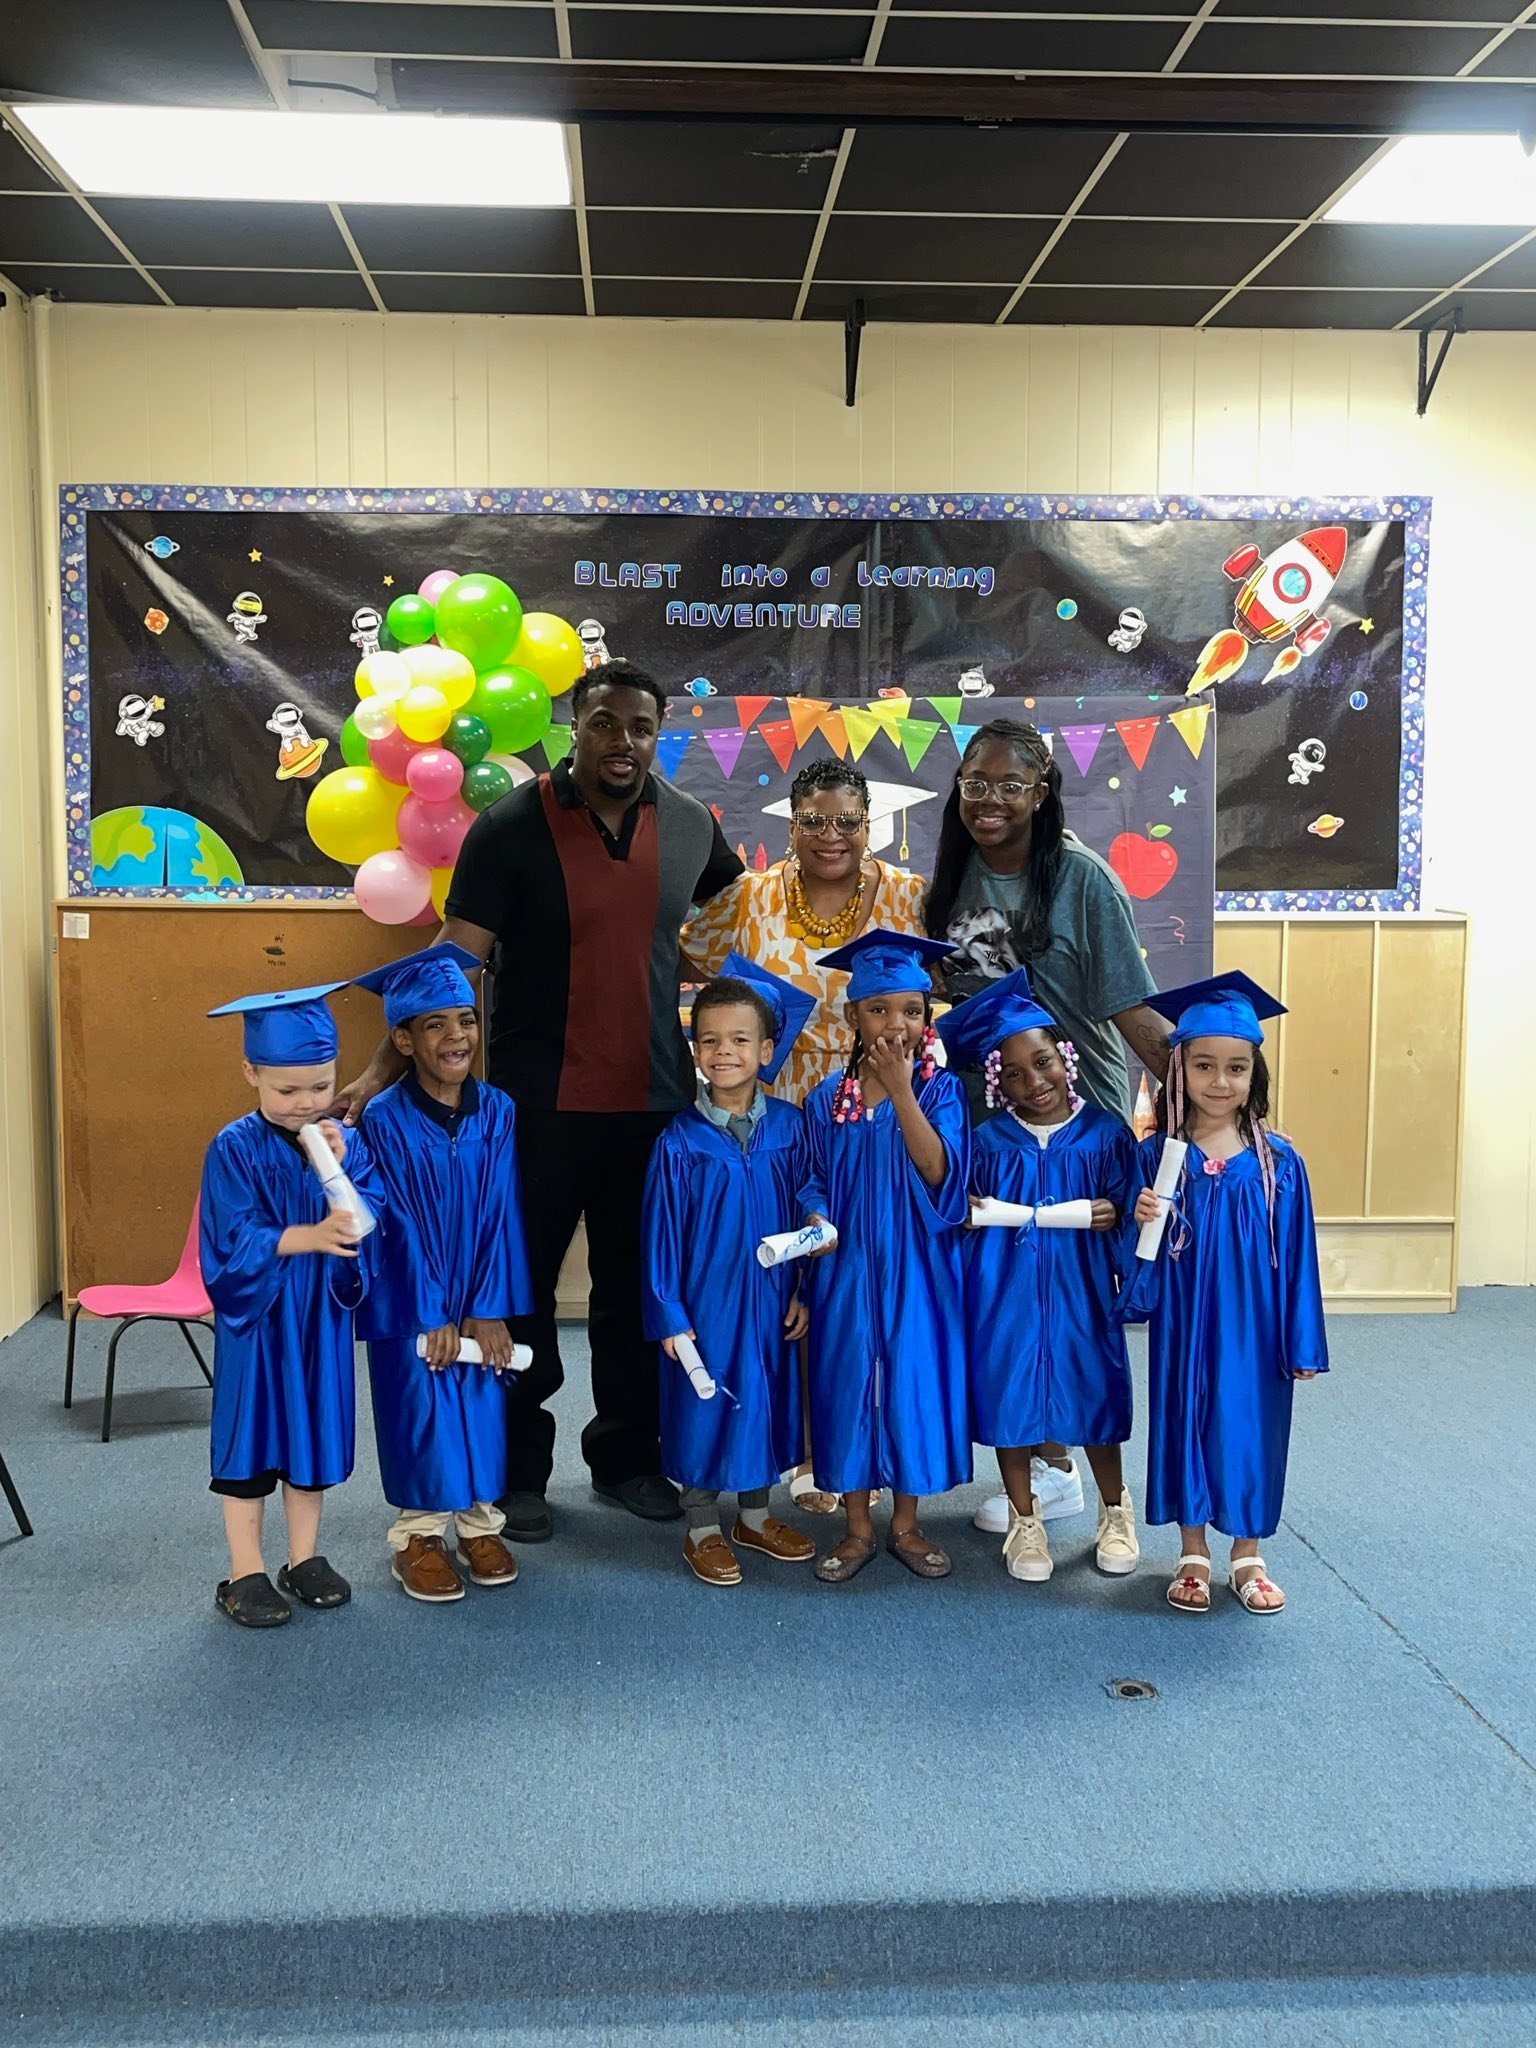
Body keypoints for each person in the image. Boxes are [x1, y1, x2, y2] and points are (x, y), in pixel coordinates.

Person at [333, 661, 742, 1544]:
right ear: (574, 728)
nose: (622, 742)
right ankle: (520, 1472)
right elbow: (456, 957)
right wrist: (385, 1065)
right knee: (517, 1298)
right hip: (534, 1105)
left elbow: (716, 924)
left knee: (636, 1297)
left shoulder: (689, 827)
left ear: (658, 732)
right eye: (604, 724)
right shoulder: (511, 827)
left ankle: (628, 1459)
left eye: (640, 726)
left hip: (653, 1103)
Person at [924, 717, 1171, 1539]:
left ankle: (1075, 1477)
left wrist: (1205, 1095)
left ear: (1040, 791)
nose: (988, 799)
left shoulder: (1080, 879)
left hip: (1075, 1116)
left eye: (1008, 784)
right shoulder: (951, 877)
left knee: (1069, 1302)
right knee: (1008, 1302)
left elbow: (1131, 1005)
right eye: (973, 782)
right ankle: (1048, 1470)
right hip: (989, 1127)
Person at [681, 757, 927, 1515]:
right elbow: (697, 963)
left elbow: (927, 994)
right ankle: (787, 1445)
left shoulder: (908, 895)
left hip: (869, 1107)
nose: (832, 835)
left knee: (850, 1276)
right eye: (815, 820)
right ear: (793, 825)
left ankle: (844, 1447)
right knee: (785, 1281)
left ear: (868, 825)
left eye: (848, 821)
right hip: (778, 1109)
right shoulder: (748, 897)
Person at [1121, 972, 1327, 1616]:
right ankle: (1192, 1553)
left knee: (1248, 1425)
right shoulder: (1159, 1154)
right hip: (1185, 1321)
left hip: (1255, 1327)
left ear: (1252, 1075)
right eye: (1204, 1065)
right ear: (1178, 1070)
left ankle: (1247, 1553)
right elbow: (1137, 1267)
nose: (1219, 1081)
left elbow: (1297, 1257)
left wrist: (1300, 1340)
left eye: (1236, 1068)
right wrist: (1141, 1215)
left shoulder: (1278, 1161)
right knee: (1183, 1417)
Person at [937, 970, 1140, 1585]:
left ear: (1066, 1057)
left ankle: (1115, 1509)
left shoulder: (1105, 1134)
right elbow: (959, 1207)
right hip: (1006, 1295)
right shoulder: (989, 1140)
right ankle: (1026, 1520)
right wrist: (970, 1219)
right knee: (1010, 1401)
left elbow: (1133, 1213)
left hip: (1082, 1295)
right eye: (1015, 1073)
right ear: (996, 1082)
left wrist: (1114, 1216)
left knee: (1096, 1398)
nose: (1035, 1081)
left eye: (1044, 1062)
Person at [353, 944, 534, 1604]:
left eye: (466, 1019)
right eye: (434, 1024)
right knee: (420, 1406)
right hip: (413, 1300)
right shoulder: (384, 1119)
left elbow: (504, 1209)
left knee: (483, 1399)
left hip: (478, 1289)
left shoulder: (499, 1111)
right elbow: (389, 1221)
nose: (457, 1036)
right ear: (403, 1038)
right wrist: (429, 1308)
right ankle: (421, 1535)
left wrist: (488, 1305)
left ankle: (480, 1524)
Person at [201, 983, 381, 1629]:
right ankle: (244, 1570)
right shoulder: (234, 1147)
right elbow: (227, 1241)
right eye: (287, 1090)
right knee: (252, 1446)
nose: (305, 1103)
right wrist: (305, 1237)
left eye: (320, 1085)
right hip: (260, 1324)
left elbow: (373, 1215)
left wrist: (344, 1171)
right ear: (251, 1072)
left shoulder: (343, 1142)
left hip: (318, 1321)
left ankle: (302, 1559)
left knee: (311, 1441)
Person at [797, 930, 971, 1585]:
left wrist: (902, 1091)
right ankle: (856, 1527)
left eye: (912, 1011)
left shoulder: (940, 1093)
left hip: (920, 1268)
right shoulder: (825, 1102)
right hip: (844, 1270)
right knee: (846, 1383)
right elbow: (812, 1177)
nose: (896, 1023)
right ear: (852, 1017)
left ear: (927, 1019)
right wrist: (815, 1213)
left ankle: (906, 1523)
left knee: (910, 1382)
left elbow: (939, 1173)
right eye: (879, 1009)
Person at [643, 959, 818, 1587]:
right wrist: (669, 1314)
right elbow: (659, 1236)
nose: (724, 1052)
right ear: (694, 1049)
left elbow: (813, 1212)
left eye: (740, 1039)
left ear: (767, 1049)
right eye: (709, 1039)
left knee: (766, 1400)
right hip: (705, 1306)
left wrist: (804, 1290)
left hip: (773, 1300)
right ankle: (702, 1526)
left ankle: (753, 1515)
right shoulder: (680, 1141)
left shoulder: (795, 1129)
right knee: (704, 1403)